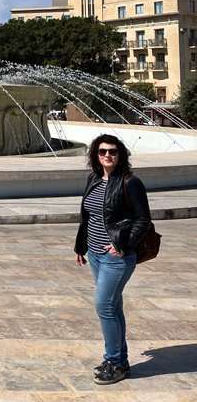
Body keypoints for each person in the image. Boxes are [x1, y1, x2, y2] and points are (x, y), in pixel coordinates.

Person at [74, 134, 151, 385]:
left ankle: (114, 362)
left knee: (104, 306)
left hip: (116, 257)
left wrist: (124, 245)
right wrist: (81, 246)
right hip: (95, 254)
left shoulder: (130, 183)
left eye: (113, 152)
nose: (108, 155)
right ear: (95, 155)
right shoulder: (94, 179)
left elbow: (143, 220)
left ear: (121, 155)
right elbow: (88, 217)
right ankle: (122, 360)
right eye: (103, 151)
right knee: (113, 306)